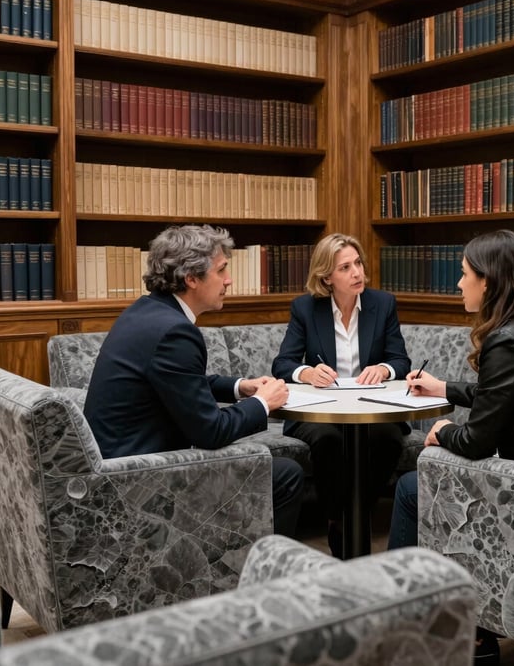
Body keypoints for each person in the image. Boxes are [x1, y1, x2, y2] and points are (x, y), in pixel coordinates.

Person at [387, 229, 514, 665]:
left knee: (413, 487)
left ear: (491, 281)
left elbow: (477, 441)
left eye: (464, 275)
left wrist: (441, 430)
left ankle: (401, 620)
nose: (458, 284)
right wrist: (443, 387)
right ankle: (472, 622)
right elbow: (506, 395)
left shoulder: (507, 340)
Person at [83, 224, 304, 537]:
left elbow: (181, 381)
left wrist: (241, 387)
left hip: (115, 465)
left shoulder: (146, 311)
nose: (229, 280)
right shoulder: (175, 332)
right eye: (221, 270)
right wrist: (262, 404)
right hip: (140, 481)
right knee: (286, 475)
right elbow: (210, 432)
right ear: (191, 278)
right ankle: (254, 579)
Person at [271, 232, 411, 557]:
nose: (357, 273)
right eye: (345, 267)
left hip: (370, 407)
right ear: (326, 277)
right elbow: (283, 363)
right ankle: (338, 519)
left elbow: (400, 360)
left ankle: (353, 516)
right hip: (322, 412)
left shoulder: (382, 304)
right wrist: (305, 373)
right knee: (328, 440)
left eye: (358, 263)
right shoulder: (306, 309)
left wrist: (385, 370)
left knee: (389, 437)